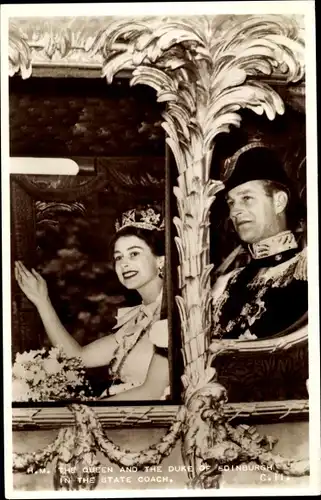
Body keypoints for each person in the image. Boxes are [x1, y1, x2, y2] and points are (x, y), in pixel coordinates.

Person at [15, 206, 169, 401]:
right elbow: (77, 357)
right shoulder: (137, 320)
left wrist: (88, 412)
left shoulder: (172, 313)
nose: (124, 264)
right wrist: (42, 300)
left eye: (134, 254)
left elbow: (152, 392)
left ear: (161, 260)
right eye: (118, 257)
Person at [211, 142, 308, 340]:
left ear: (279, 201)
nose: (234, 211)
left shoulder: (307, 271)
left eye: (246, 198)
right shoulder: (226, 283)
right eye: (231, 202)